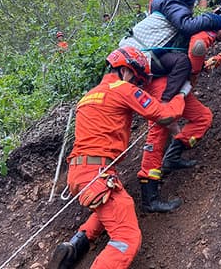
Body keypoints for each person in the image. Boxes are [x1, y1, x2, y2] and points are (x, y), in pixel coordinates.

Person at [47, 46, 189, 269]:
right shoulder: (122, 89)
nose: (137, 84)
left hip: (79, 173)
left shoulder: (88, 96)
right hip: (96, 174)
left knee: (111, 208)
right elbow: (166, 115)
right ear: (127, 71)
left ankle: (75, 248)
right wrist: (181, 93)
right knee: (126, 238)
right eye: (137, 79)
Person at [137, 2, 221, 212]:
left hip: (174, 79)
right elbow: (196, 49)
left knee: (202, 117)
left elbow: (192, 59)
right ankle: (149, 195)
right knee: (160, 128)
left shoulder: (202, 30)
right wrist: (197, 69)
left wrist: (203, 65)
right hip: (162, 80)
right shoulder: (204, 32)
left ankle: (171, 158)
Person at [119, 0, 221, 103]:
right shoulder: (174, 7)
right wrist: (213, 19)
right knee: (182, 62)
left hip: (132, 50)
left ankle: (161, 100)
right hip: (138, 54)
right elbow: (188, 26)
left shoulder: (163, 14)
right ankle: (166, 101)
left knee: (177, 61)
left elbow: (175, 46)